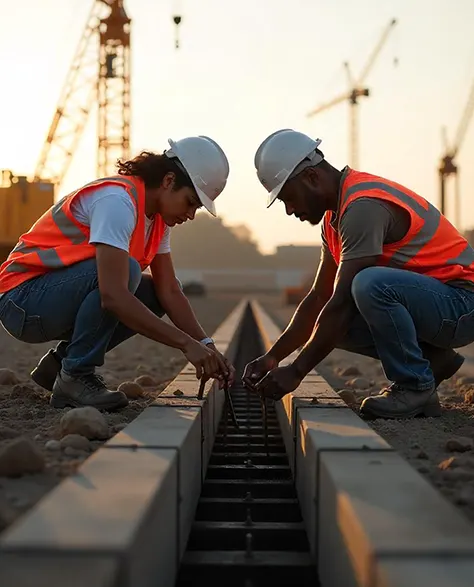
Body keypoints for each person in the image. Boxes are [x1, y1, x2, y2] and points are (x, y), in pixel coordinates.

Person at [243, 128, 474, 420]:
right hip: (437, 304)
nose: (290, 210)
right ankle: (432, 362)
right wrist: (273, 357)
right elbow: (319, 298)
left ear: (312, 178)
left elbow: (342, 301)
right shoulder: (333, 221)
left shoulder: (362, 206)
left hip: (463, 302)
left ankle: (414, 385)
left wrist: (297, 371)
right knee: (328, 319)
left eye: (289, 197)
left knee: (368, 285)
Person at [0, 135, 235, 411]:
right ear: (169, 181)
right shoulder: (117, 202)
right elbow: (112, 295)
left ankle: (59, 367)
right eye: (191, 202)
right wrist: (186, 345)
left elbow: (169, 290)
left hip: (52, 297)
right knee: (126, 274)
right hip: (22, 300)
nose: (192, 214)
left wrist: (206, 345)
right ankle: (75, 376)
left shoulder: (157, 221)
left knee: (152, 292)